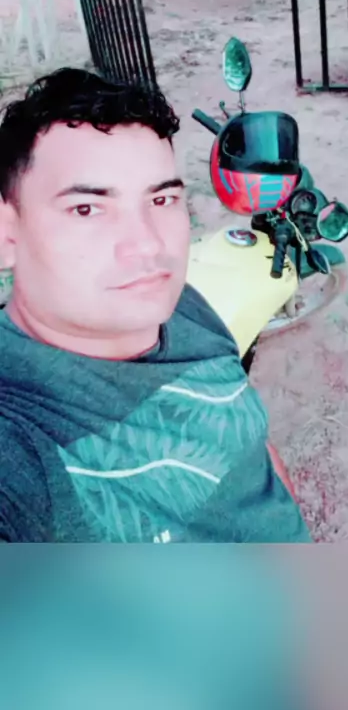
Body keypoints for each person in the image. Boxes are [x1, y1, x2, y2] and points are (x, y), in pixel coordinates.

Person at [0, 67, 311, 543]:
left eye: (162, 199)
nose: (147, 245)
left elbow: (246, 439)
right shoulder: (21, 452)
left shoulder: (183, 304)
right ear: (7, 234)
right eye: (87, 208)